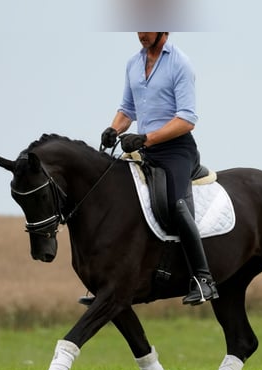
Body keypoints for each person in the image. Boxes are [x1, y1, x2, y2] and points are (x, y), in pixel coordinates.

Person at [101, 32, 218, 305]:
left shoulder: (180, 64)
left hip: (177, 151)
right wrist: (112, 128)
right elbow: (127, 110)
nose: (141, 34)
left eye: (147, 28)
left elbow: (187, 119)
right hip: (146, 150)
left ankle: (204, 280)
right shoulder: (133, 63)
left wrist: (146, 138)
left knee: (176, 204)